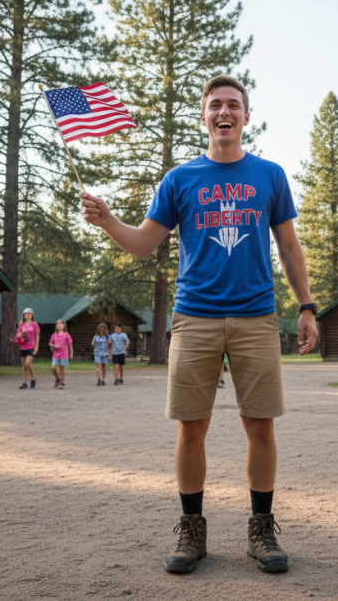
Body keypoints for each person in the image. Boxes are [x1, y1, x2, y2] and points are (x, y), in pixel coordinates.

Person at [80, 75, 317, 576]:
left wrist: (307, 305)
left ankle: (261, 529)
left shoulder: (270, 176)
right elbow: (145, 243)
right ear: (204, 117)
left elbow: (290, 246)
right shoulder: (180, 180)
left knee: (260, 426)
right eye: (215, 105)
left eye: (234, 105)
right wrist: (107, 221)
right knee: (192, 427)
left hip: (256, 315)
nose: (224, 112)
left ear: (246, 117)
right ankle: (192, 530)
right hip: (194, 316)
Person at [15, 307, 40, 389]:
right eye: (25, 314)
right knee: (24, 366)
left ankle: (33, 378)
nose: (27, 315)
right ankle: (25, 382)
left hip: (31, 346)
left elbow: (37, 336)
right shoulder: (21, 324)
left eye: (29, 314)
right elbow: (18, 333)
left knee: (28, 363)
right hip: (23, 346)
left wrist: (36, 347)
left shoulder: (34, 324)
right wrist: (19, 335)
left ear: (32, 315)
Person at [49, 320, 73, 389]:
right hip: (56, 355)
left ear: (64, 326)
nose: (59, 325)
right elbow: (51, 344)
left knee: (62, 368)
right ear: (56, 326)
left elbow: (70, 344)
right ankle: (57, 378)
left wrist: (71, 352)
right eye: (58, 324)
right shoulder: (54, 335)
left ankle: (61, 382)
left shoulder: (66, 334)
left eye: (61, 324)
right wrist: (54, 346)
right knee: (53, 368)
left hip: (64, 354)